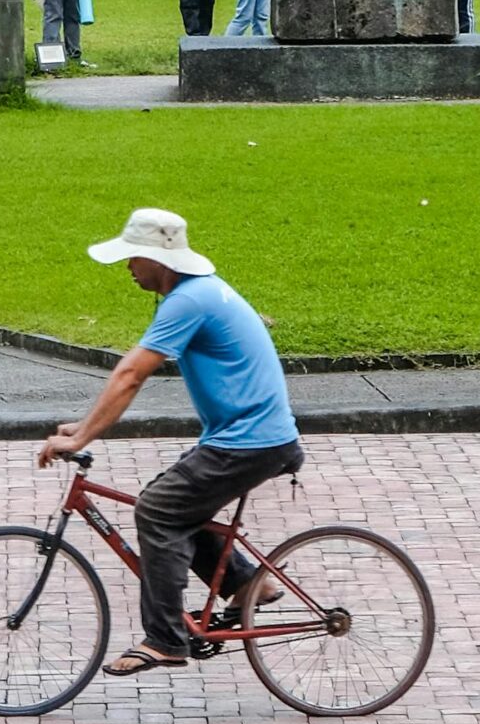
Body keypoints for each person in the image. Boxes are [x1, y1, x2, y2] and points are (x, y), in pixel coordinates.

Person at [37, 207, 303, 677]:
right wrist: (81, 426)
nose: (127, 268)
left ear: (158, 259)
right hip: (246, 437)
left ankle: (164, 640)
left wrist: (81, 434)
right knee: (174, 503)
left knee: (158, 510)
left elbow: (130, 375)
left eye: (132, 258)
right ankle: (247, 586)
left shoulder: (189, 300)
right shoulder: (192, 294)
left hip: (251, 441)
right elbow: (130, 374)